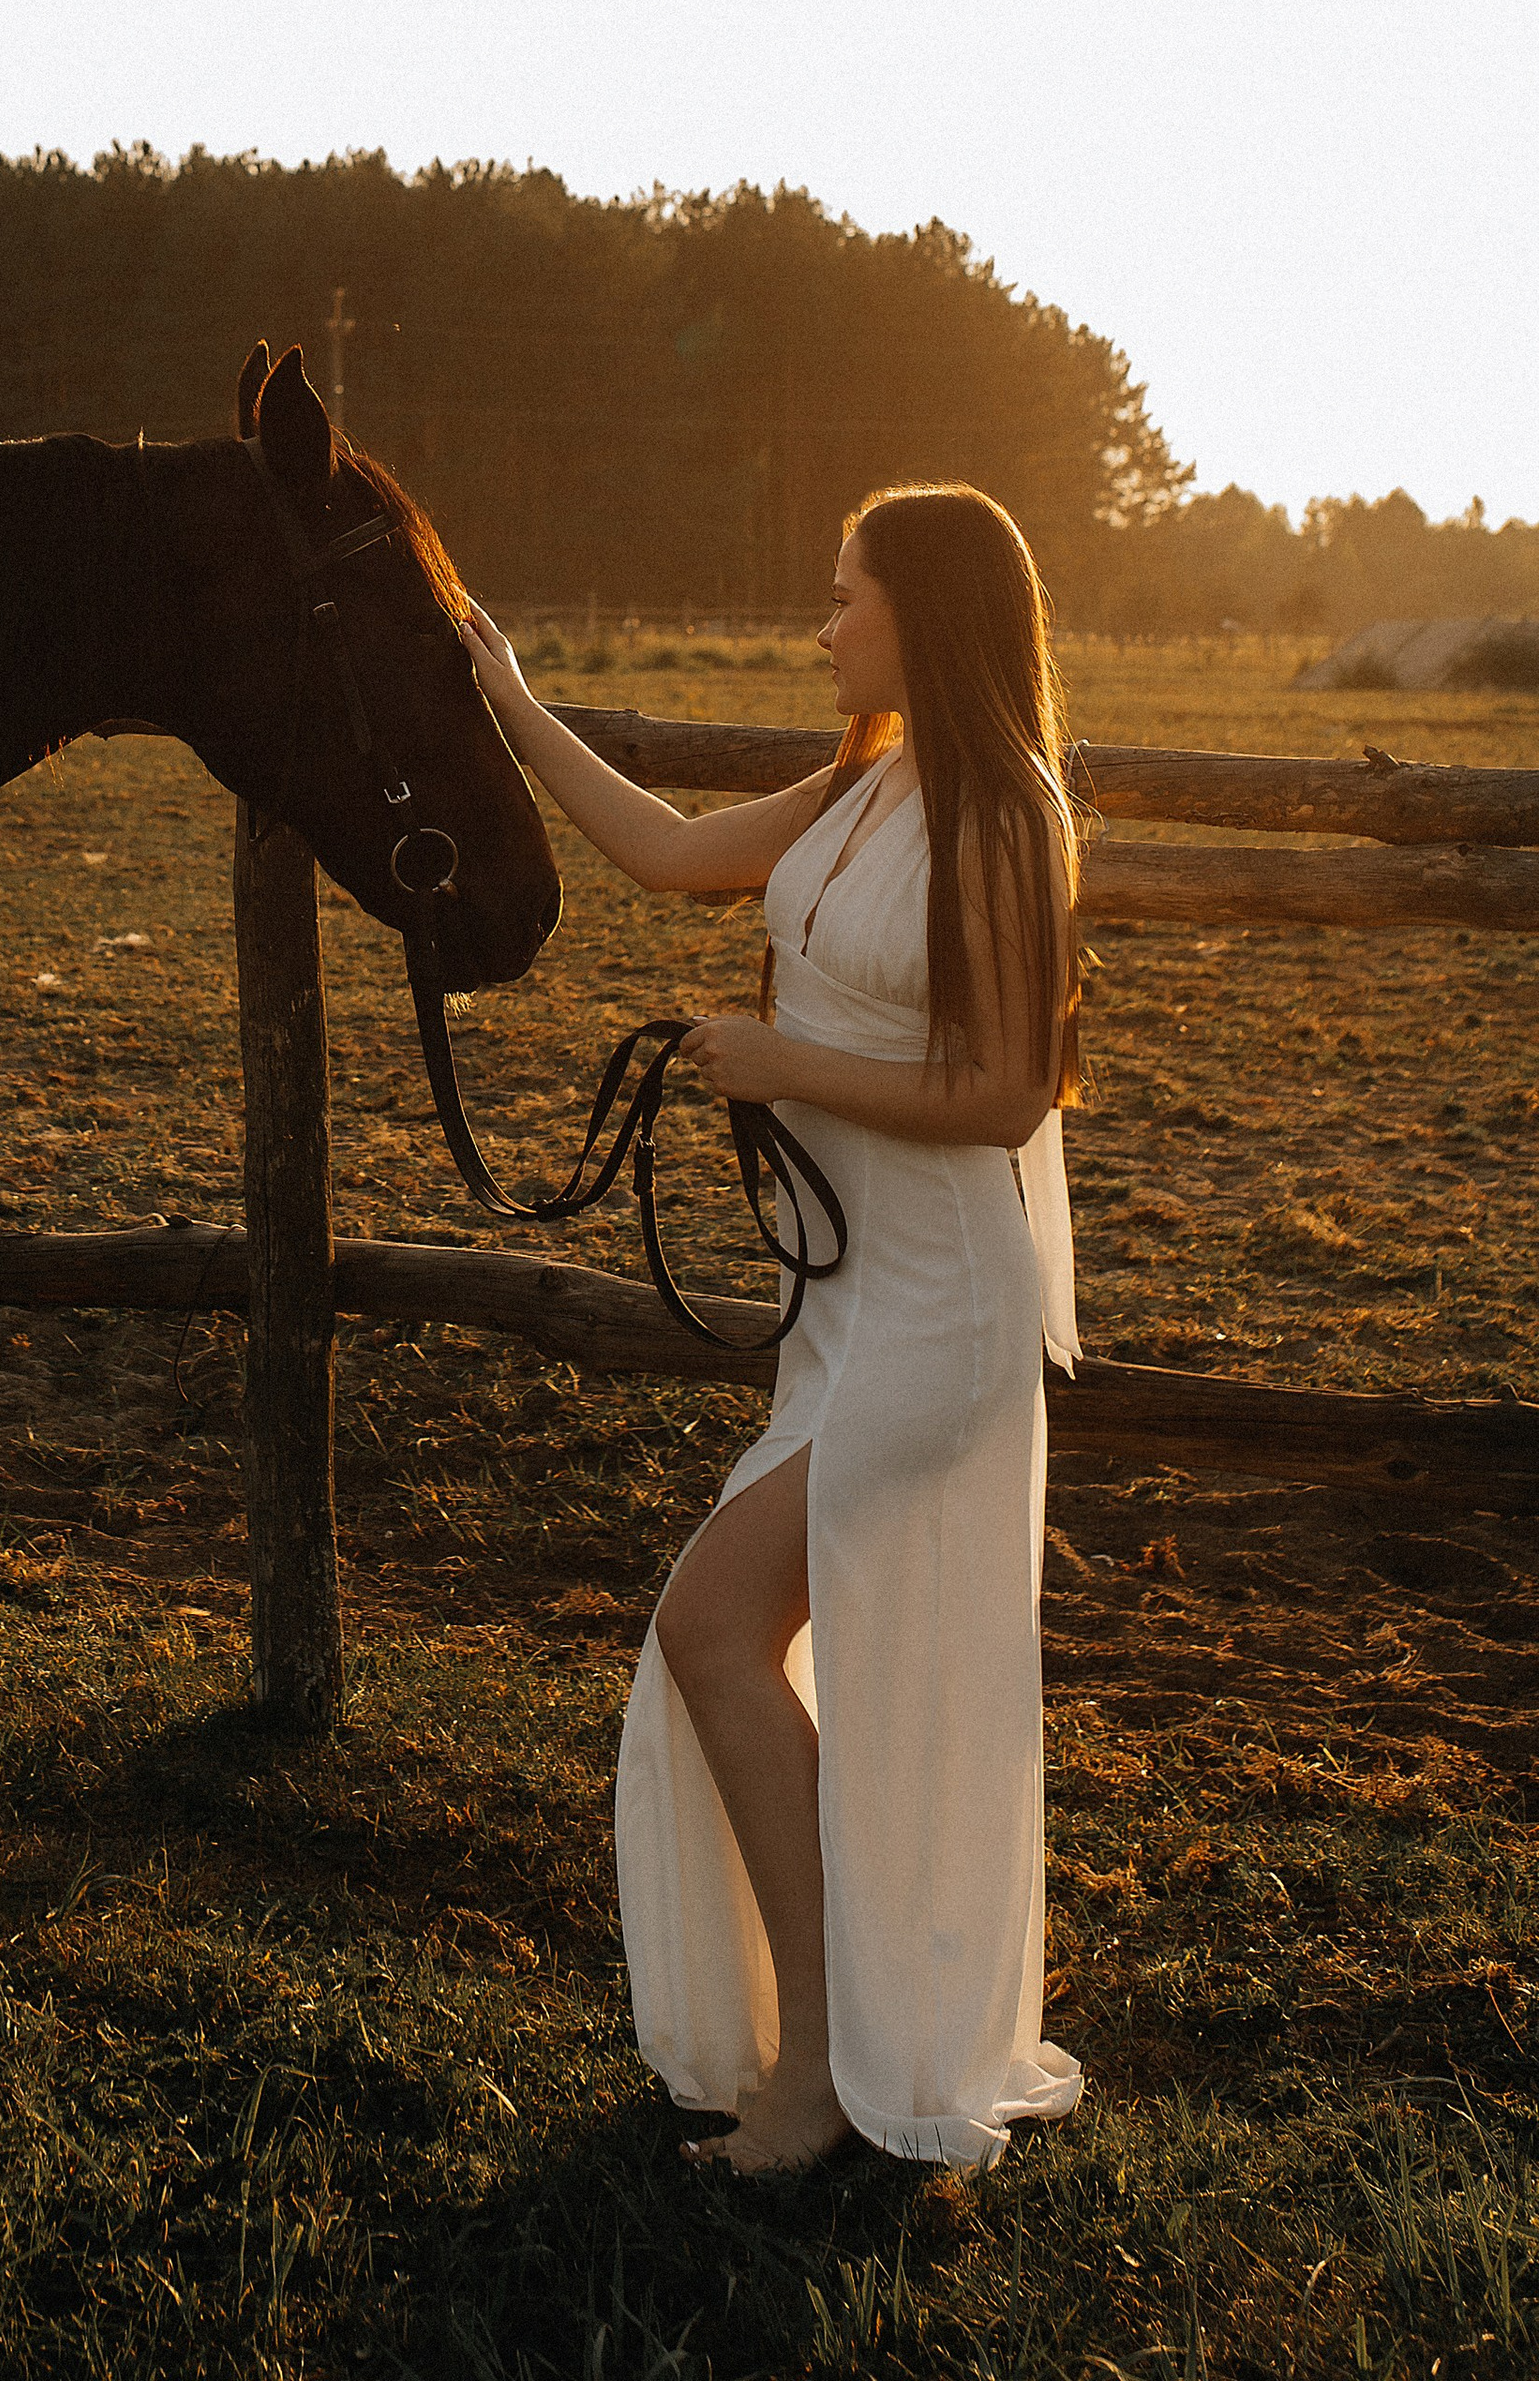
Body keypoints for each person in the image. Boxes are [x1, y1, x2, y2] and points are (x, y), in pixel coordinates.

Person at [462, 486, 1084, 2177]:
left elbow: (1010, 1091)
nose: (823, 630)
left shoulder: (1007, 816)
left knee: (711, 1625)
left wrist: (787, 1064)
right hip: (851, 1307)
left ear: (923, 613)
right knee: (729, 1636)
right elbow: (667, 853)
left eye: (845, 598)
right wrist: (513, 703)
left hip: (944, 1310)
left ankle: (818, 2069)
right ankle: (830, 2041)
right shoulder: (866, 783)